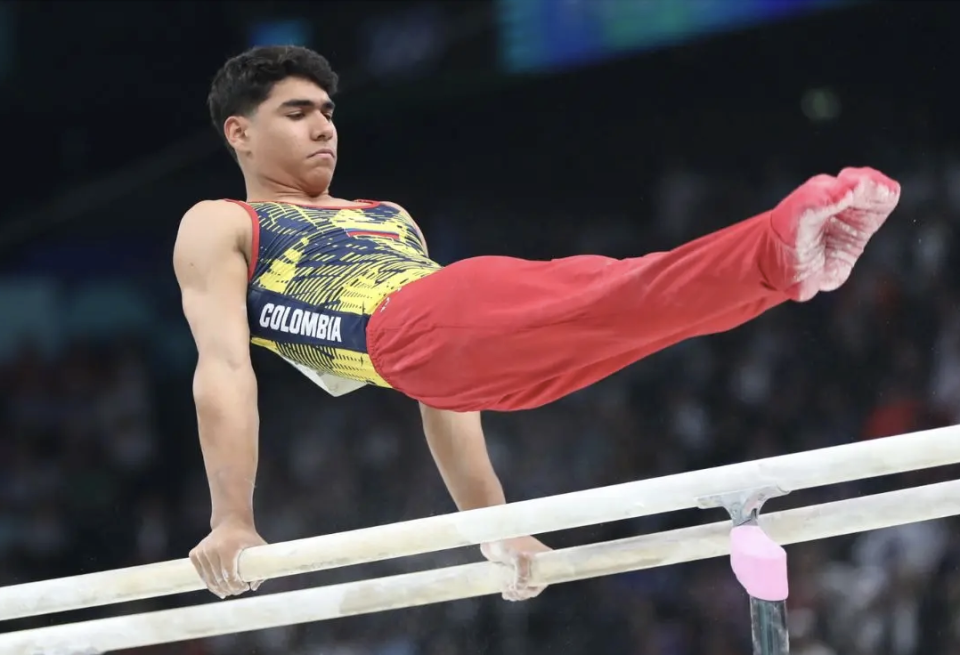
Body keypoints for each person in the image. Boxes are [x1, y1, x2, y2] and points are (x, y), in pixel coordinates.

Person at [173, 45, 900, 602]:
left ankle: (787, 265)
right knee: (626, 296)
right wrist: (232, 517)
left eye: (328, 111)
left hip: (456, 335)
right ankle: (779, 253)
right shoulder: (223, 223)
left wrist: (494, 527)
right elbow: (225, 367)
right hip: (404, 334)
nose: (323, 127)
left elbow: (445, 396)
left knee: (641, 309)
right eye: (297, 113)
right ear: (240, 132)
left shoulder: (386, 217)